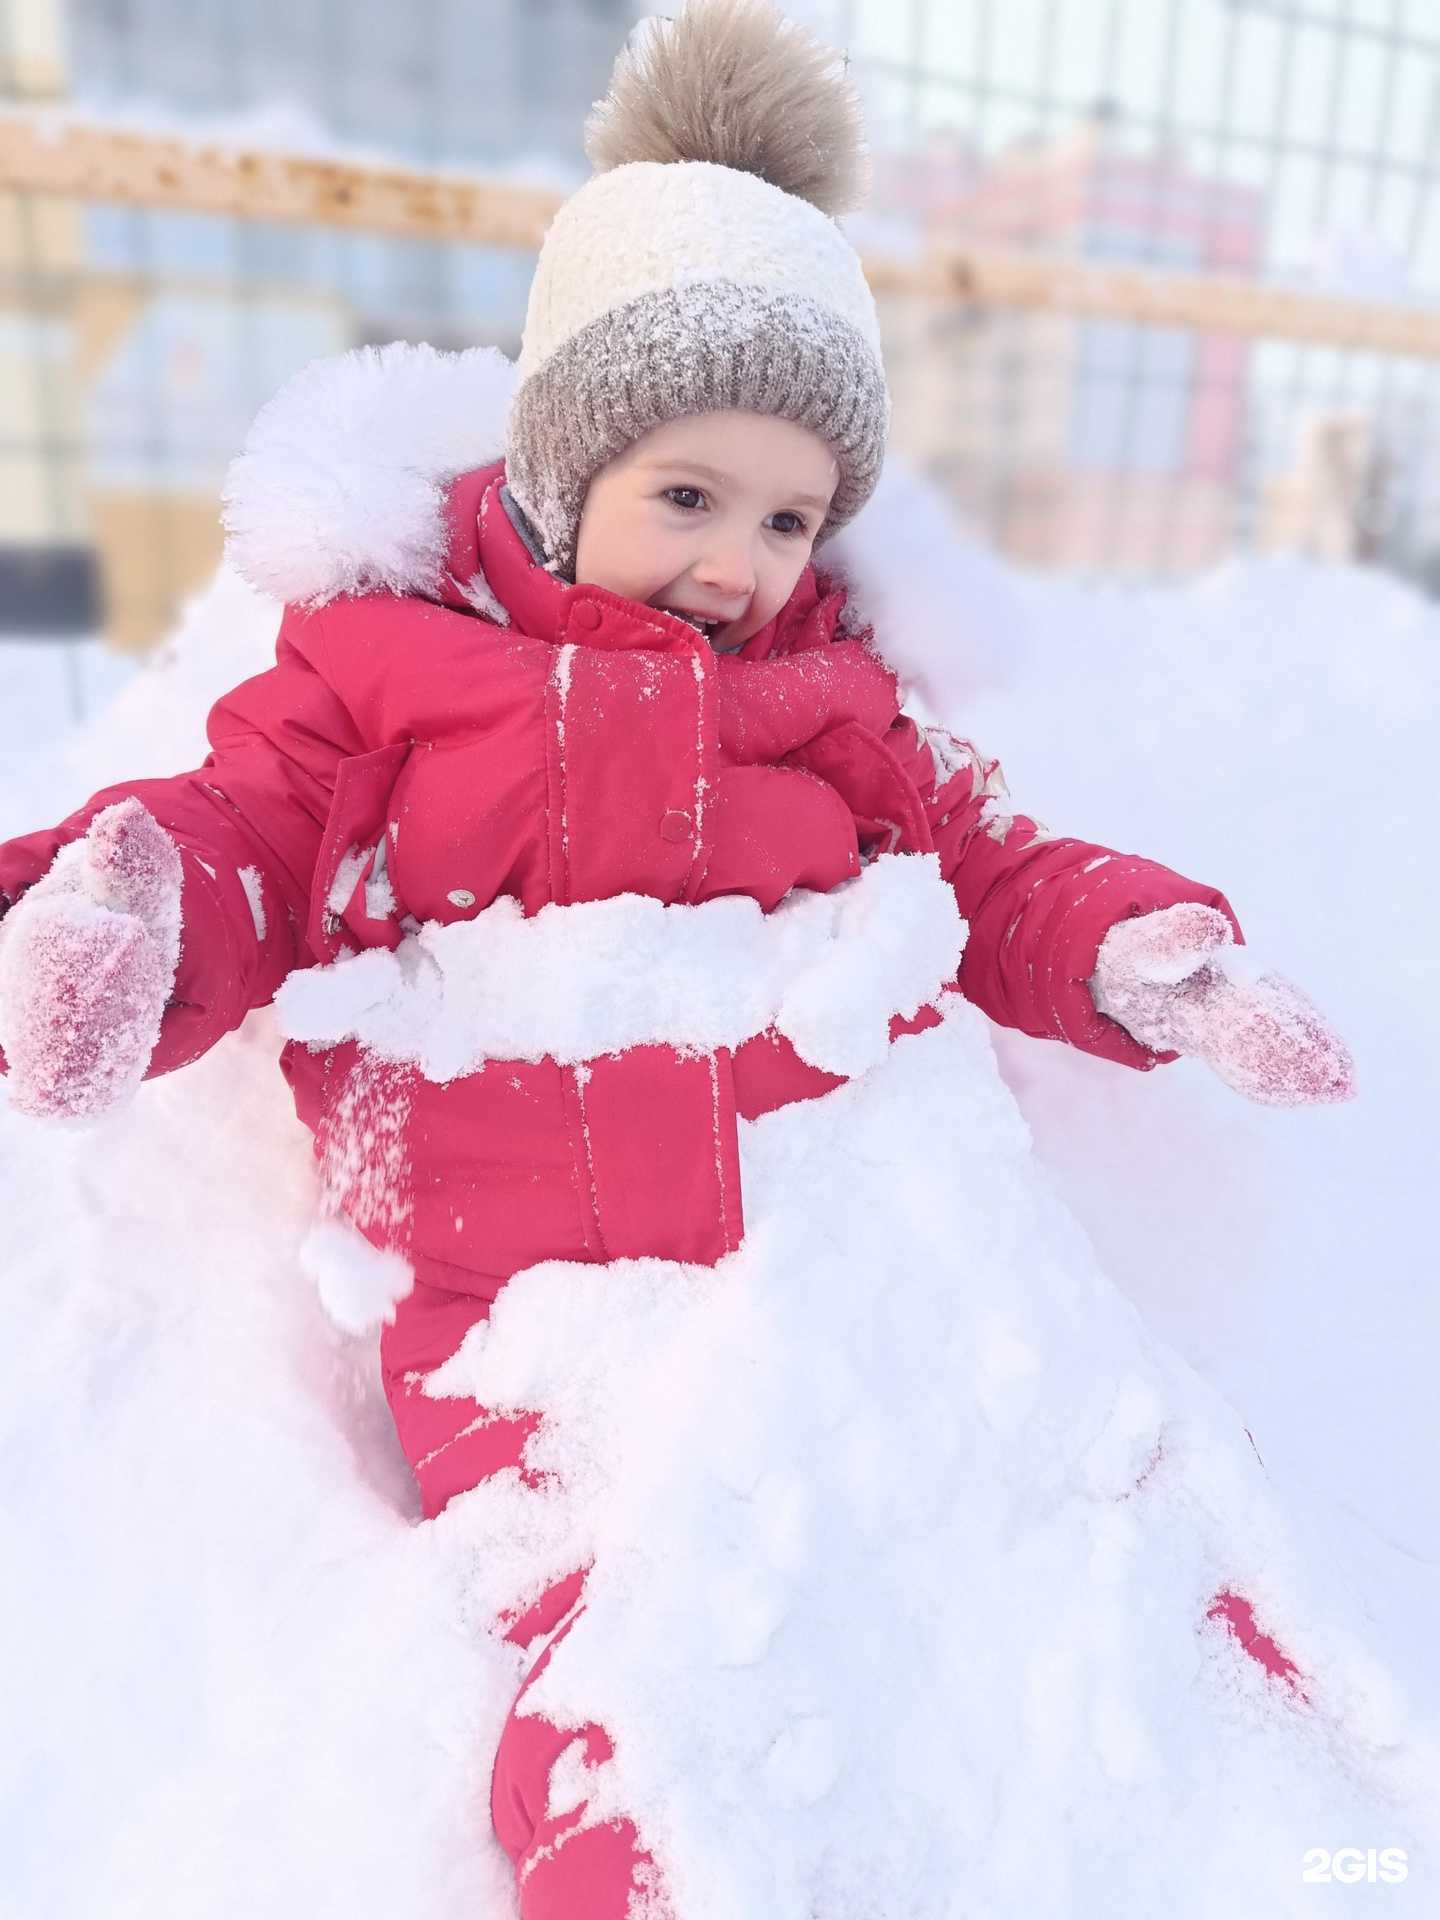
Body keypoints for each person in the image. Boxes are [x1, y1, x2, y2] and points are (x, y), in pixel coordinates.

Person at [0, 2, 1353, 1913]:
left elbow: (989, 859)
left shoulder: (833, 695)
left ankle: (1287, 1836)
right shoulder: (384, 674)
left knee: (1076, 1502)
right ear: (560, 467)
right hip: (529, 1285)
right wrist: (131, 912)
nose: (740, 565)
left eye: (791, 516)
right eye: (689, 498)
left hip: (839, 1216)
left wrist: (1144, 953)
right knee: (634, 1675)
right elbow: (248, 833)